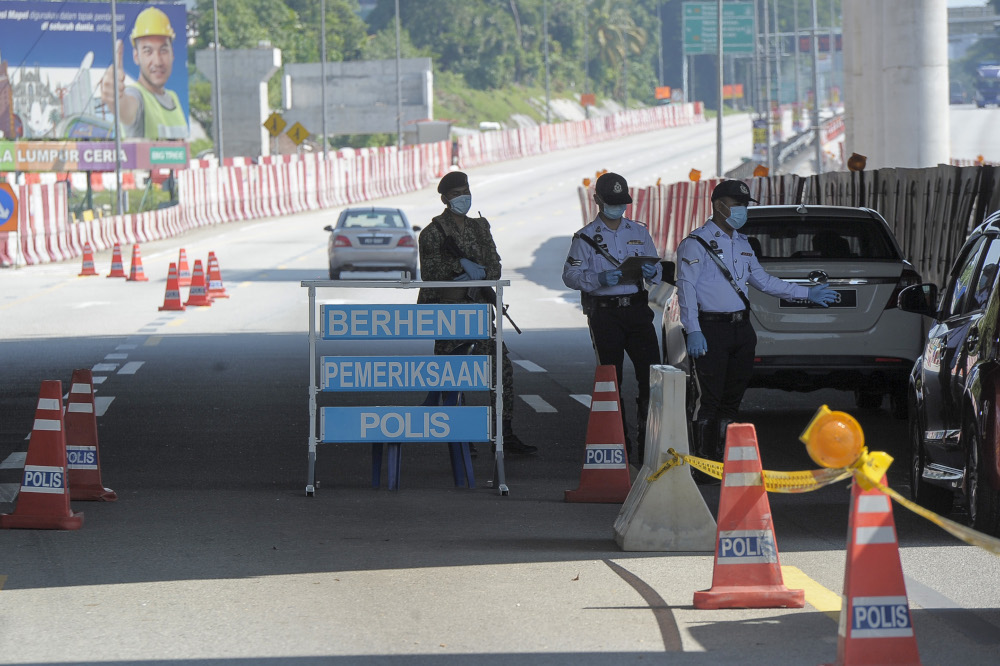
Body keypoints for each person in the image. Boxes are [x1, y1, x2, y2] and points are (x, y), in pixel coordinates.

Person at [676, 180, 837, 478]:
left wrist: (806, 293)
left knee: (732, 399)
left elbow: (763, 281)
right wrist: (693, 329)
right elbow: (685, 289)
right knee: (709, 399)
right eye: (737, 204)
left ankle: (725, 462)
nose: (742, 210)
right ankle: (704, 466)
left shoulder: (742, 243)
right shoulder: (695, 243)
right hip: (711, 329)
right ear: (718, 205)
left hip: (741, 330)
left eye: (745, 205)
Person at [416, 171, 537, 455]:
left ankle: (504, 433)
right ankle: (461, 436)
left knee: (500, 370)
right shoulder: (432, 233)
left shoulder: (480, 227)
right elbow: (430, 273)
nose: (463, 198)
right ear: (445, 199)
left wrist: (481, 273)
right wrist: (460, 267)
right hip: (448, 314)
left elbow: (494, 264)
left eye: (465, 191)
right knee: (454, 376)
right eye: (456, 194)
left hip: (480, 313)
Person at [562, 172, 661, 466]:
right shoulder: (585, 237)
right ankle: (620, 446)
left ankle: (648, 442)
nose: (618, 208)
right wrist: (598, 278)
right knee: (611, 379)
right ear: (597, 201)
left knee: (651, 375)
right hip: (605, 314)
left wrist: (650, 272)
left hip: (637, 310)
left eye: (622, 203)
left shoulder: (639, 233)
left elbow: (656, 269)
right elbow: (570, 276)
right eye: (612, 202)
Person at [100, 7, 188, 140]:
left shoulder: (173, 98)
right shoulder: (136, 94)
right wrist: (115, 100)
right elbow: (127, 109)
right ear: (136, 56)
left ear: (172, 54)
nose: (157, 61)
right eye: (148, 51)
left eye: (163, 50)